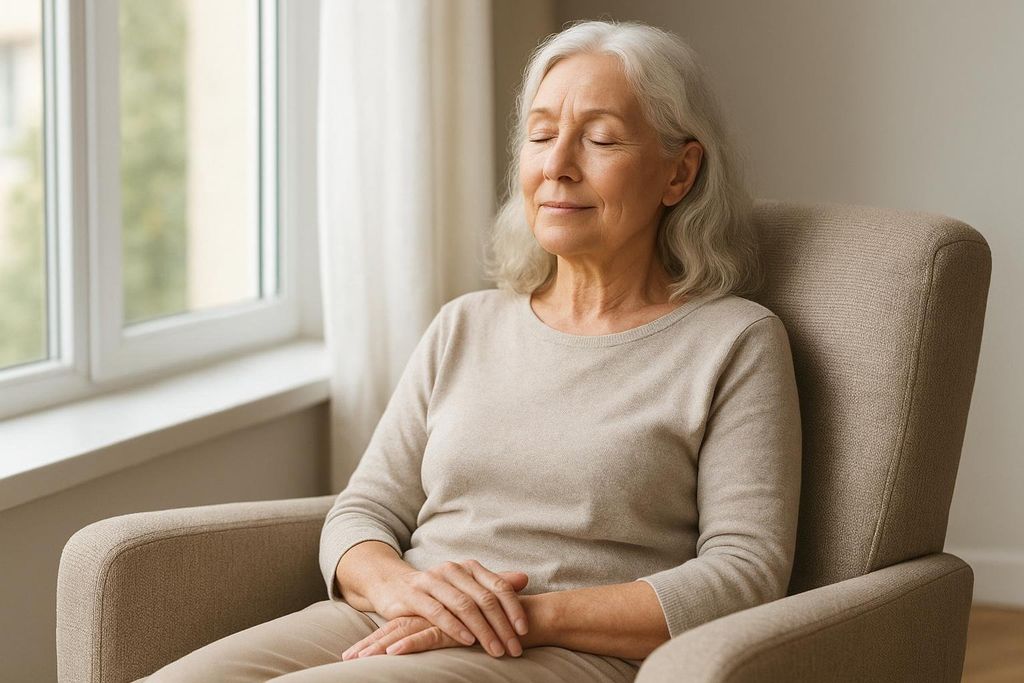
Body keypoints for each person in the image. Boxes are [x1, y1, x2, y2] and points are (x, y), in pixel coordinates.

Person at [140, 18, 801, 683]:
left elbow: (744, 574)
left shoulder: (733, 342)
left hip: (565, 649)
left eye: (599, 138)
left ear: (679, 172)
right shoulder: (466, 324)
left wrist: (523, 613)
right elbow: (364, 509)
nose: (558, 165)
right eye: (541, 135)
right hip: (394, 618)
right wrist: (397, 585)